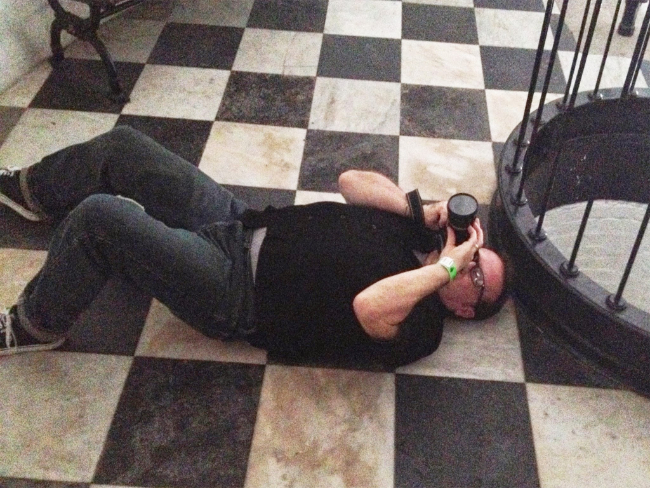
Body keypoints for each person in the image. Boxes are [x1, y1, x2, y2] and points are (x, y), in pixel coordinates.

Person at [0, 126, 506, 367]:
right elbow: (352, 180)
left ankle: (34, 322)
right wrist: (425, 213)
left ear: (465, 310)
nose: (468, 262)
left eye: (476, 276)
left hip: (234, 292)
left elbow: (369, 307)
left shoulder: (423, 328)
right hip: (238, 223)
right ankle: (30, 191)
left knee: (100, 218)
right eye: (476, 254)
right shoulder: (419, 234)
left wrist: (444, 267)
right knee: (123, 147)